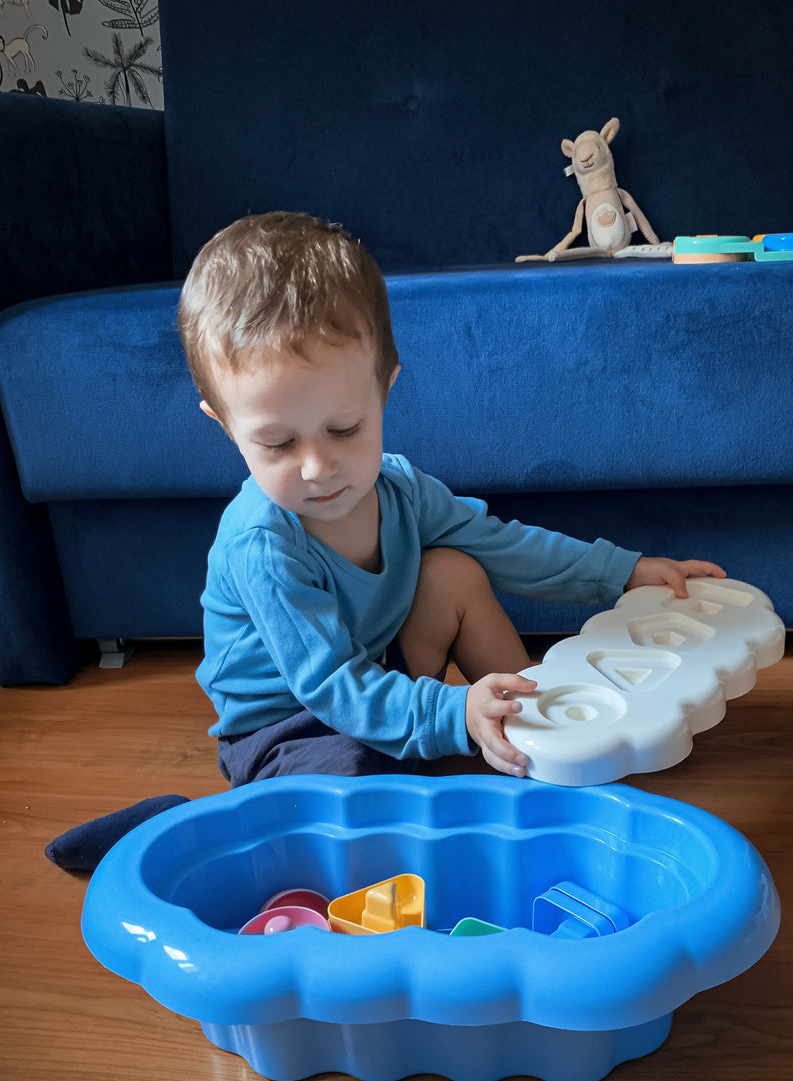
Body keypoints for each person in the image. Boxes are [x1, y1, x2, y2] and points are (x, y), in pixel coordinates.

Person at [178, 210, 726, 786]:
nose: (317, 467)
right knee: (353, 785)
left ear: (383, 390)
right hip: (289, 728)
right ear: (227, 428)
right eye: (278, 443)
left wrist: (624, 570)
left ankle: (542, 734)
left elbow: (504, 546)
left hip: (374, 674)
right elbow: (330, 684)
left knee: (455, 572)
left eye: (344, 430)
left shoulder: (400, 489)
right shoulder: (261, 545)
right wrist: (452, 711)